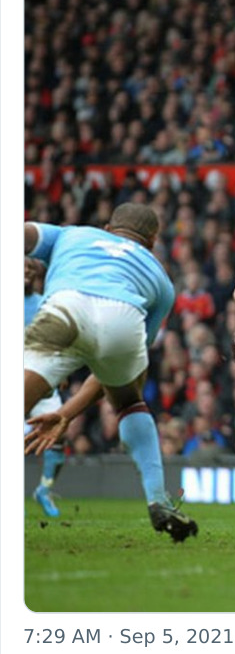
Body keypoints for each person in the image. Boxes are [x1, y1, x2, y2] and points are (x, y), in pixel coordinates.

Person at [24, 203, 198, 542]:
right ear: (152, 242)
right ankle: (158, 499)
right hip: (124, 316)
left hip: (66, 306)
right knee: (130, 401)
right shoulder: (162, 282)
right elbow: (110, 375)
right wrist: (67, 414)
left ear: (106, 228)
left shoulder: (73, 234)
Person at [25, 258, 65, 517]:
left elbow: (55, 339)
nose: (26, 272)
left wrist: (61, 368)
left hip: (41, 378)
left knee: (57, 433)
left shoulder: (44, 304)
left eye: (30, 268)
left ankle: (44, 490)